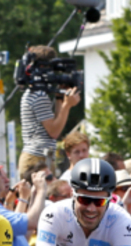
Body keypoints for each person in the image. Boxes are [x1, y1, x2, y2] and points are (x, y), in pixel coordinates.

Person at [19, 45, 81, 178]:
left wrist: (60, 97)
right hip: (36, 159)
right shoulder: (39, 96)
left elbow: (55, 122)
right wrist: (67, 105)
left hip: (39, 156)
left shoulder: (36, 93)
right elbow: (54, 132)